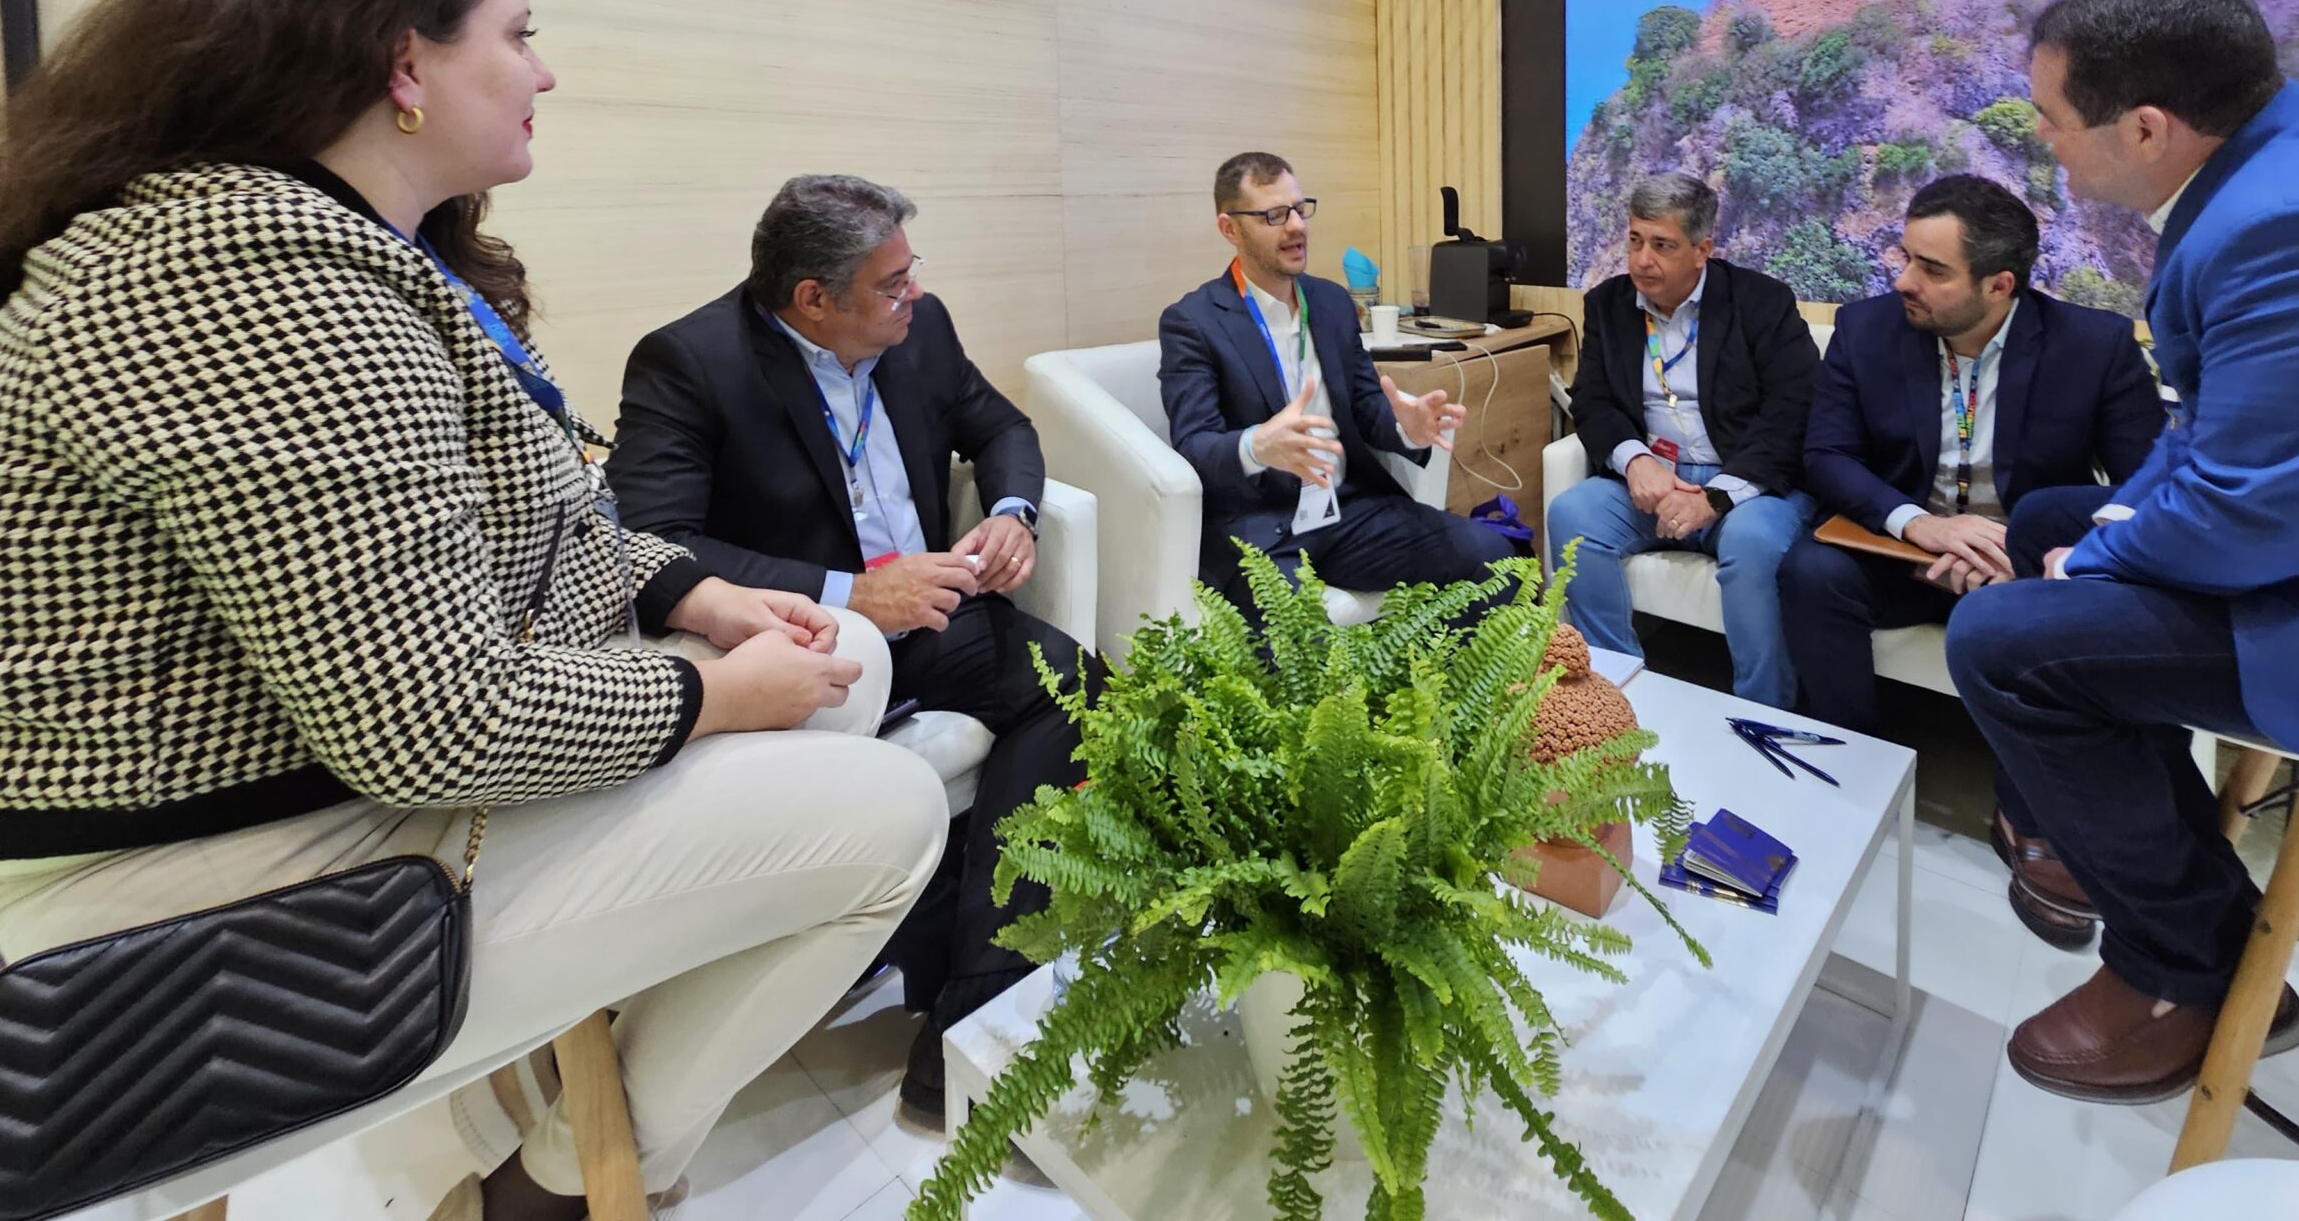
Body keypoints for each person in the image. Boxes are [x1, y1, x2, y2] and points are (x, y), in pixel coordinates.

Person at [0, 0, 946, 1221]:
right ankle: (565, 1181)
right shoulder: (251, 274)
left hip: (312, 768)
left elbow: (514, 530)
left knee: (845, 662)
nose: (545, 72)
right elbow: (431, 721)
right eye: (519, 34)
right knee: (891, 811)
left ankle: (563, 1087)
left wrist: (691, 592)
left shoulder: (342, 246)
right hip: (190, 889)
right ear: (402, 61)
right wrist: (711, 696)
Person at [1948, 0, 2299, 1102]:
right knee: (2055, 515)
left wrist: (2095, 559)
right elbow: (2211, 430)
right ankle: (2094, 842)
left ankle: (2181, 967)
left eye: (2053, 120)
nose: (2044, 144)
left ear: (2145, 128)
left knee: (2007, 643)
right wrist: (2099, 535)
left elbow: (2250, 518)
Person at [607, 174, 1082, 1126]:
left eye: (912, 273)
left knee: (1069, 684)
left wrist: (1011, 512)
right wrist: (851, 593)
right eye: (892, 284)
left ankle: (974, 1008)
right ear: (813, 299)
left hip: (934, 620)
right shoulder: (692, 362)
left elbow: (1001, 425)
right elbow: (650, 541)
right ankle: (948, 981)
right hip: (808, 643)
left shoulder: (923, 329)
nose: (915, 295)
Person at [1779, 173, 2164, 947]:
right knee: (1808, 573)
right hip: (1904, 548)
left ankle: (2027, 816)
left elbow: (2146, 489)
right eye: (1904, 258)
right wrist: (1920, 524)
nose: (1903, 281)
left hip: (2015, 562)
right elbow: (1826, 455)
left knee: (2043, 620)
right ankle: (1855, 765)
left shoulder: (2094, 347)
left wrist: (2033, 553)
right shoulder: (1867, 329)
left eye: (1931, 269)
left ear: (1999, 284)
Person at [1158, 151, 1516, 621]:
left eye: (1299, 209)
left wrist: (1406, 427)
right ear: (1230, 229)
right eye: (1273, 215)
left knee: (1494, 558)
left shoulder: (1330, 302)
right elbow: (1193, 444)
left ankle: (1442, 671)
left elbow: (1366, 405)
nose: (1295, 226)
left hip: (1348, 510)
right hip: (1263, 528)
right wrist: (1257, 445)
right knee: (1301, 637)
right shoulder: (1194, 322)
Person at [1545, 172, 1818, 701]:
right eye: (1635, 240)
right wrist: (1635, 461)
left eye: (1662, 245)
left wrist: (1715, 497)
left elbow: (1795, 412)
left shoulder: (1761, 302)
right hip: (1654, 482)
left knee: (1753, 543)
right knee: (1572, 514)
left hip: (1746, 487)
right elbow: (1592, 400)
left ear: (1702, 250)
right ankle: (1616, 692)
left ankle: (1766, 712)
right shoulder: (1608, 304)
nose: (1642, 260)